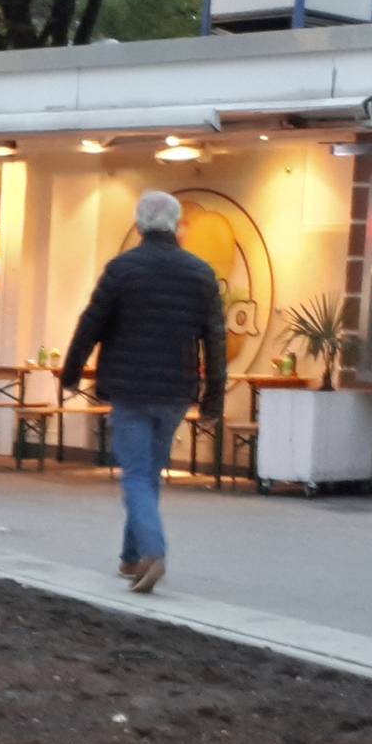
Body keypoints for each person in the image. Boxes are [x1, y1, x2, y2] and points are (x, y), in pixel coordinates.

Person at [61, 191, 227, 595]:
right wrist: (213, 397)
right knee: (148, 474)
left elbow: (92, 322)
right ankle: (130, 558)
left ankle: (153, 552)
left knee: (136, 474)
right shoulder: (201, 273)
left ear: (139, 226)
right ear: (177, 226)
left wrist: (71, 371)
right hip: (175, 390)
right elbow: (216, 339)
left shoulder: (122, 269)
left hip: (130, 388)